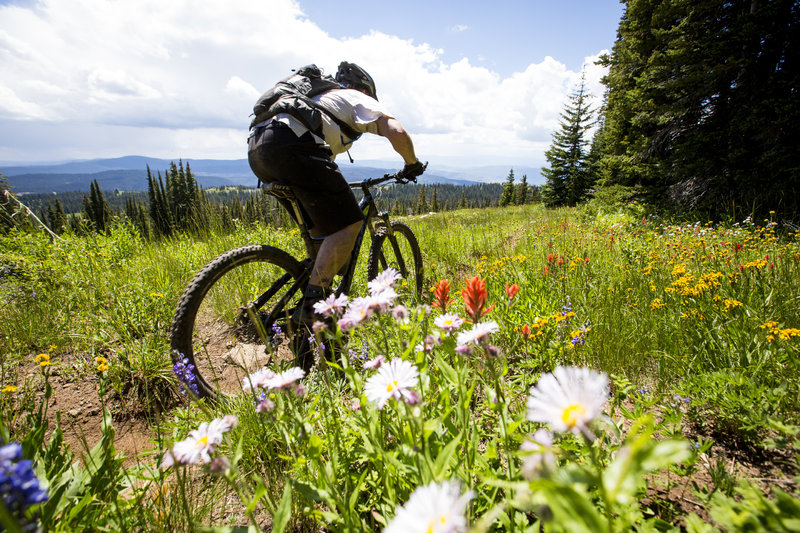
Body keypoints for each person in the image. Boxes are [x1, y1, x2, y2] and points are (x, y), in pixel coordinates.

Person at [247, 61, 425, 339]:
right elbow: (395, 130)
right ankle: (314, 311)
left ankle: (311, 302)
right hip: (293, 145)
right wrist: (411, 163)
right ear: (365, 90)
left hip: (260, 147)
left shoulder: (315, 99)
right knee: (349, 226)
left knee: (323, 236)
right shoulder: (356, 98)